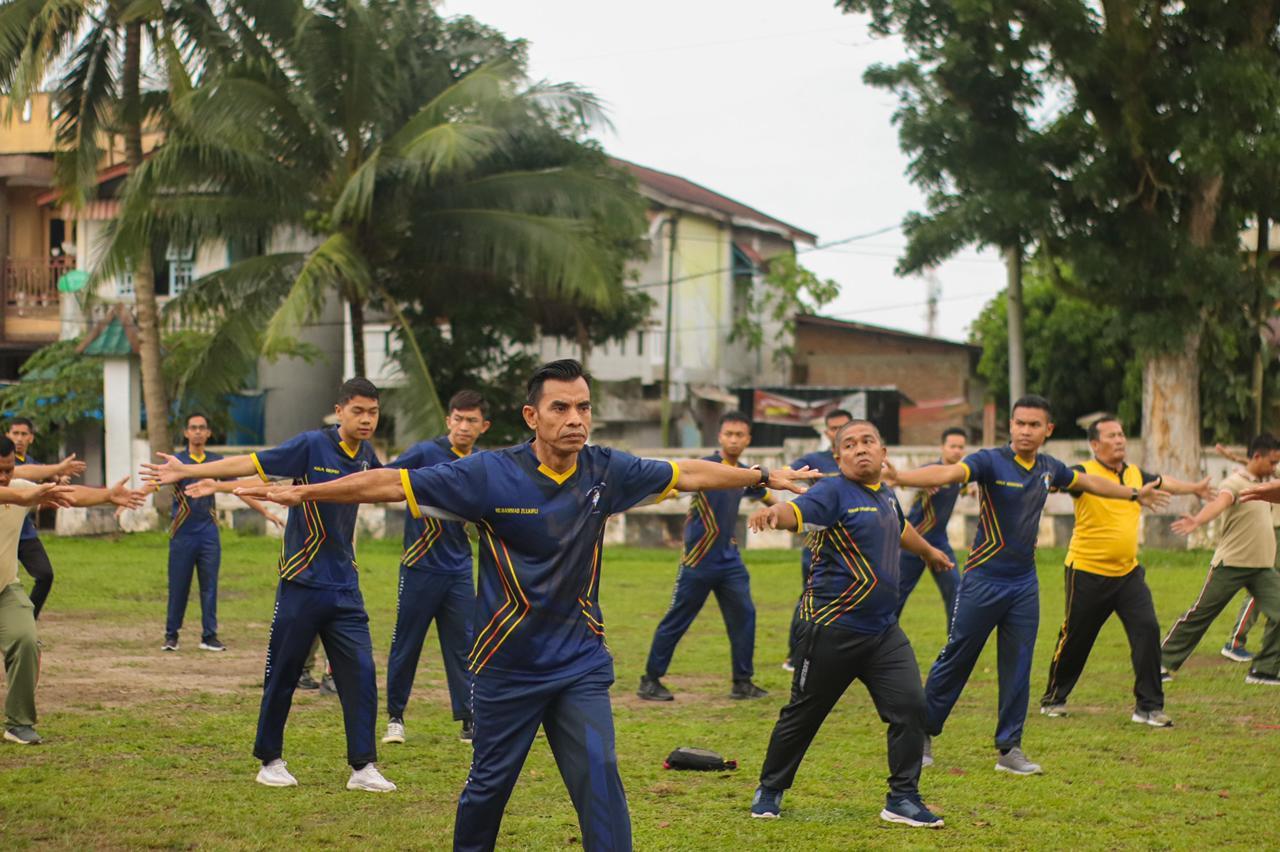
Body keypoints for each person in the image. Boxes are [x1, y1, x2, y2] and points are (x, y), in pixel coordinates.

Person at [235, 359, 820, 852]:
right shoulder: (490, 474)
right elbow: (391, 483)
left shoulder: (606, 470)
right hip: (506, 668)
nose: (575, 419)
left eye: (583, 407)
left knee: (600, 780)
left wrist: (760, 474)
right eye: (561, 408)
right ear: (532, 416)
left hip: (579, 665)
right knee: (487, 791)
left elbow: (687, 471)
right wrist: (307, 490)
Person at [883, 395, 1166, 775]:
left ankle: (1010, 748)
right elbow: (948, 474)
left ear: (1048, 430)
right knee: (958, 656)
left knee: (1018, 665)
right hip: (982, 580)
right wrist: (900, 478)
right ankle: (921, 734)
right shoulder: (989, 461)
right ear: (1011, 426)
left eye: (1034, 425)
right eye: (1020, 423)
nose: (1025, 431)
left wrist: (1135, 493)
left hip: (1023, 585)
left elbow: (1091, 482)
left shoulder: (1050, 468)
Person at [143, 378, 396, 793]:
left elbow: (394, 488)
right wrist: (190, 469)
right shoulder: (311, 446)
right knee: (283, 673)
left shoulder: (368, 456)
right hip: (301, 581)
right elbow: (250, 462)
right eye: (358, 411)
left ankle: (363, 766)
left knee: (362, 675)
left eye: (373, 412)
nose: (367, 419)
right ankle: (270, 759)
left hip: (346, 587)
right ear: (339, 411)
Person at [746, 419, 952, 828]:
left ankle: (903, 798)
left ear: (883, 451)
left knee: (911, 707)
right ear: (838, 457)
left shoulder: (886, 495)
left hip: (882, 632)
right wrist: (776, 513)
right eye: (850, 444)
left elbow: (901, 526)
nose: (861, 449)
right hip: (829, 629)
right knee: (803, 715)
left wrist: (928, 552)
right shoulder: (833, 491)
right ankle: (770, 788)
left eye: (868, 441)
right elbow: (798, 511)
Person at [1039, 415, 1214, 726]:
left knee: (1147, 630)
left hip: (1128, 574)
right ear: (1095, 444)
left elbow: (1163, 481)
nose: (1120, 440)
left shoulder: (1134, 473)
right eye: (1112, 436)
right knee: (1076, 637)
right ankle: (1054, 697)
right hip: (1087, 573)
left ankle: (1149, 706)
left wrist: (1195, 488)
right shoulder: (1083, 473)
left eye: (1121, 434)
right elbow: (1055, 483)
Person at [0, 436, 145, 745]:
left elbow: (69, 494)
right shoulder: (20, 493)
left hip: (5, 591)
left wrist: (107, 494)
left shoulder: (21, 492)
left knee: (26, 640)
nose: (5, 476)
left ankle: (19, 722)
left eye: (9, 470)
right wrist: (26, 494)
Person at [639, 411, 773, 702]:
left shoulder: (745, 473)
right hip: (698, 561)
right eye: (729, 434)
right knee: (677, 620)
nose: (734, 439)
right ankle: (650, 681)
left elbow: (768, 497)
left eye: (740, 435)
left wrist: (772, 509)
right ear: (720, 436)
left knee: (745, 617)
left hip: (730, 561)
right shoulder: (706, 467)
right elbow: (674, 487)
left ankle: (742, 682)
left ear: (748, 439)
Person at [382, 390, 490, 745]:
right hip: (418, 566)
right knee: (406, 643)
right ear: (448, 421)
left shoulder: (483, 464)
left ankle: (469, 719)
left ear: (483, 426)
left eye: (471, 420)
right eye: (457, 419)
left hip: (458, 570)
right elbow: (385, 480)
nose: (463, 426)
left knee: (464, 645)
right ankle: (395, 717)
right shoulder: (424, 453)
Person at [1161, 434, 1280, 686]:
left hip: (1262, 568)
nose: (1274, 467)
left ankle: (1264, 670)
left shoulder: (1268, 483)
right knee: (1200, 615)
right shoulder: (1235, 482)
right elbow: (1220, 502)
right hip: (1232, 564)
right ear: (1257, 457)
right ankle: (1159, 662)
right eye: (1271, 462)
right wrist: (1197, 520)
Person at [161, 412, 282, 652]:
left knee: (209, 586)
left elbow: (239, 488)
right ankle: (171, 635)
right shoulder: (178, 461)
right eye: (193, 427)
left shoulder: (215, 462)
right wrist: (129, 497)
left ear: (208, 433)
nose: (197, 431)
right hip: (182, 534)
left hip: (208, 534)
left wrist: (265, 512)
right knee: (178, 586)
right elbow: (153, 482)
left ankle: (209, 636)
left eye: (202, 427)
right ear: (186, 432)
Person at [782, 408, 852, 671]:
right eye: (833, 429)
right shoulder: (816, 460)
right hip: (819, 546)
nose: (838, 433)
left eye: (843, 427)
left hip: (852, 546)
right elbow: (786, 472)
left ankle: (841, 656)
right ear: (826, 433)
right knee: (810, 598)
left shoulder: (858, 460)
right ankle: (795, 654)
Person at [6, 418, 87, 619]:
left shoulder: (36, 464)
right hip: (4, 533)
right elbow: (25, 473)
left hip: (24, 533)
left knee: (45, 574)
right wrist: (56, 469)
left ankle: (28, 620)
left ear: (31, 438)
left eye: (24, 434)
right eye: (15, 433)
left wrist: (58, 478)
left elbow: (52, 483)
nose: (19, 438)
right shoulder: (9, 462)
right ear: (7, 435)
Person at [1212, 442, 1280, 662]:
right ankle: (1236, 641)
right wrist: (1233, 457)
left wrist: (1232, 455)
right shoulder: (1272, 466)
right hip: (1276, 532)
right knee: (1262, 586)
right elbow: (1262, 465)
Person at [895, 427, 967, 630]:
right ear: (942, 447)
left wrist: (969, 491)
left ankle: (954, 645)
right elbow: (904, 481)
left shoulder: (960, 474)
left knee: (956, 589)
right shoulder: (930, 471)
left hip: (939, 541)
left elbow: (966, 488)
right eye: (952, 446)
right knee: (896, 596)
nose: (956, 451)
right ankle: (881, 642)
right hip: (914, 541)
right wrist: (921, 484)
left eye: (960, 447)